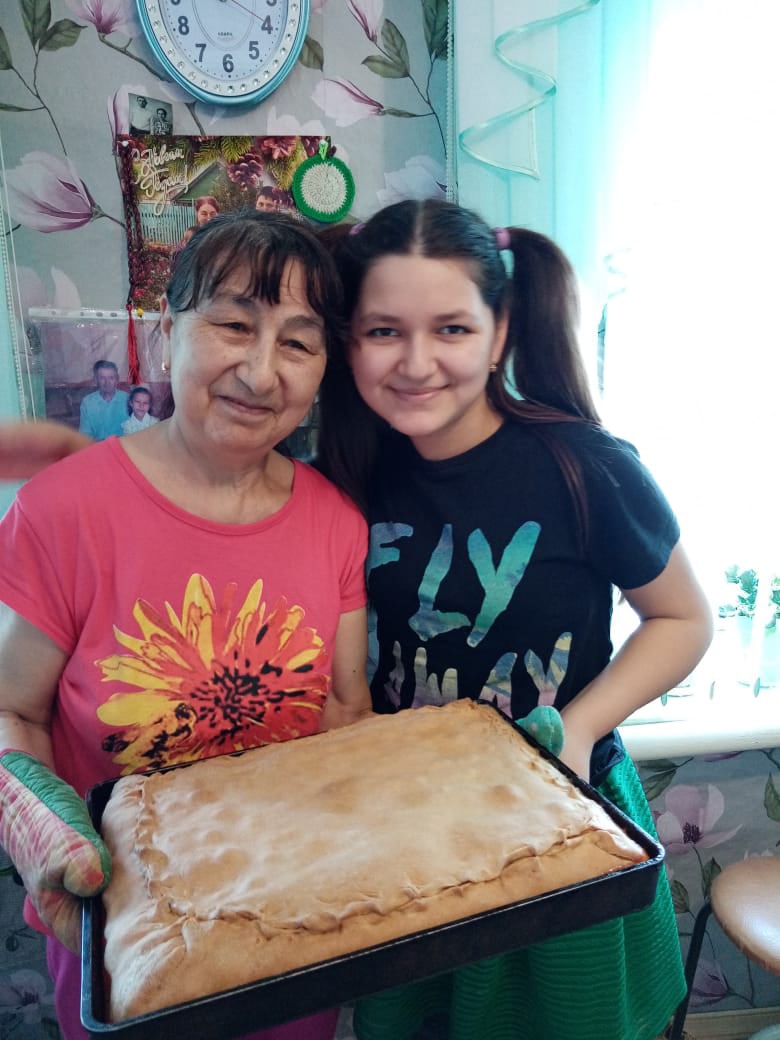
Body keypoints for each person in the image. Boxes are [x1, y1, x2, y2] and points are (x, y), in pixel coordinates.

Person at [314, 199, 713, 1040]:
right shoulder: (345, 474)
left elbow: (682, 620)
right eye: (384, 331)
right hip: (412, 830)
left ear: (499, 334)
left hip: (558, 819)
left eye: (452, 329)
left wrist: (578, 730)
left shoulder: (585, 467)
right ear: (349, 343)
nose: (416, 362)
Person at [0, 211, 373, 1040]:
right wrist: (40, 833)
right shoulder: (63, 512)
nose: (261, 371)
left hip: (288, 925)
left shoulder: (337, 524)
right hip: (123, 925)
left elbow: (345, 712)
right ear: (166, 333)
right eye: (234, 325)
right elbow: (12, 709)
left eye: (298, 343)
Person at [78, 360, 129, 440]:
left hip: (123, 443)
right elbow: (85, 435)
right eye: (102, 378)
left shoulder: (128, 399)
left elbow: (137, 428)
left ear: (117, 379)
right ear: (96, 380)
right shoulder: (87, 403)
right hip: (98, 445)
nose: (107, 382)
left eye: (111, 378)